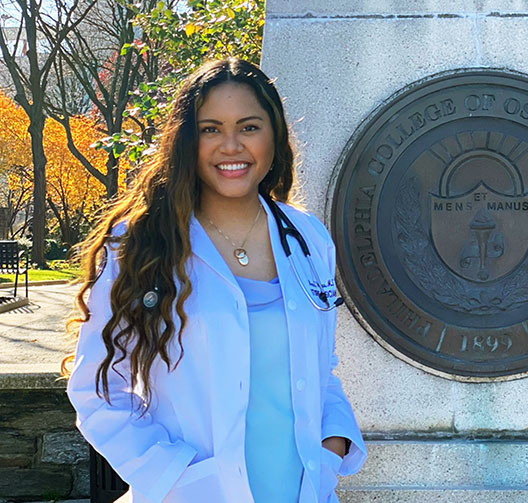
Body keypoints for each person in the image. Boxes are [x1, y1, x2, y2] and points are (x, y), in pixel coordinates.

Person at [63, 58, 367, 503]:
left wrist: (332, 443)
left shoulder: (307, 238)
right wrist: (176, 478)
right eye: (210, 129)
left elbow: (321, 372)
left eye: (248, 127)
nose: (231, 145)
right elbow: (98, 388)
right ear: (187, 141)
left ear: (274, 137)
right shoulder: (142, 243)